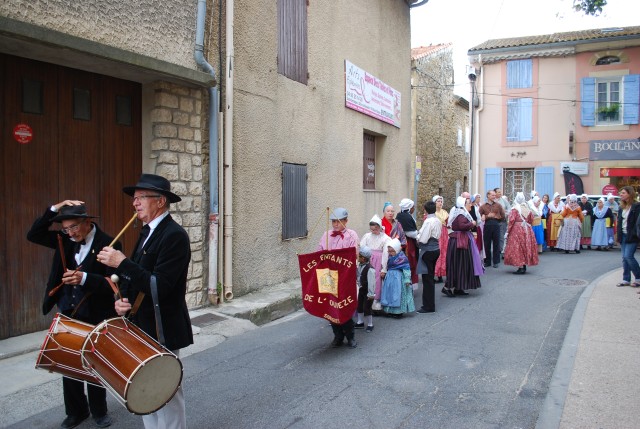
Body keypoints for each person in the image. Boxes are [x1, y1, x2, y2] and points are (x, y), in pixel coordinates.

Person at [97, 174, 193, 429]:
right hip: (140, 325)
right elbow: (135, 277)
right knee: (144, 392)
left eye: (140, 198)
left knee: (167, 393)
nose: (134, 203)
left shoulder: (175, 236)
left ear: (160, 201)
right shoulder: (146, 232)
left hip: (162, 328)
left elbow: (159, 285)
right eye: (135, 198)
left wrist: (121, 262)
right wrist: (122, 300)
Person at [27, 201, 119, 429]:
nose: (70, 233)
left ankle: (99, 410)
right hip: (69, 309)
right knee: (68, 362)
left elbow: (115, 284)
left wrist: (85, 278)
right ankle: (77, 411)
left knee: (94, 363)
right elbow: (33, 234)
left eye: (74, 227)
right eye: (66, 228)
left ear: (88, 222)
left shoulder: (108, 243)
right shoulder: (63, 239)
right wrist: (53, 208)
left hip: (97, 311)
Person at [315, 207, 359, 348]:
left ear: (346, 221)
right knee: (331, 307)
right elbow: (319, 252)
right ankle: (337, 336)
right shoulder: (326, 235)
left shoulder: (352, 235)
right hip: (329, 277)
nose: (335, 225)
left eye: (338, 222)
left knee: (344, 305)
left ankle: (350, 336)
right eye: (333, 222)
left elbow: (355, 255)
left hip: (345, 277)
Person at [444, 196, 484, 296]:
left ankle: (459, 287)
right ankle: (448, 287)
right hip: (459, 242)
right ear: (463, 205)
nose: (471, 204)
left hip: (461, 240)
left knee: (462, 264)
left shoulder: (462, 214)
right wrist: (472, 224)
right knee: (458, 264)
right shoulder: (461, 215)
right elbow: (461, 226)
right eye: (469, 203)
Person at [360, 215, 390, 312]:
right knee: (366, 279)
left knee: (376, 280)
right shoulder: (367, 236)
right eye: (372, 229)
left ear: (380, 227)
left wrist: (384, 268)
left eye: (376, 229)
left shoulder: (385, 238)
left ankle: (376, 301)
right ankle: (365, 299)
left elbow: (385, 253)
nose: (374, 231)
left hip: (378, 261)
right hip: (368, 260)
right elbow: (362, 247)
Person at [504, 192, 539, 274]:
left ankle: (521, 266)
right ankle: (524, 265)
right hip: (527, 229)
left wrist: (508, 231)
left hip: (516, 230)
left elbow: (511, 221)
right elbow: (531, 219)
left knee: (518, 248)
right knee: (525, 246)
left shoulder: (514, 209)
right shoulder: (527, 208)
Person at [416, 201, 441, 313]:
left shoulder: (428, 221)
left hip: (428, 250)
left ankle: (428, 306)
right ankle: (429, 304)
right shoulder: (437, 220)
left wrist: (418, 239)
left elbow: (423, 239)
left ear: (425, 210)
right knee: (429, 277)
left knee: (427, 279)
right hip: (435, 249)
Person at [380, 238, 414, 317]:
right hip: (390, 278)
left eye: (392, 251)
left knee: (397, 294)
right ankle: (390, 310)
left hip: (398, 279)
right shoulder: (390, 257)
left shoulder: (402, 258)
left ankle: (398, 312)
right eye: (389, 251)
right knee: (389, 294)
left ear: (397, 249)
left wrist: (407, 279)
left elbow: (406, 269)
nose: (390, 253)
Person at [615, 186, 640, 287]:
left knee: (628, 256)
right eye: (620, 193)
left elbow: (637, 223)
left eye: (623, 193)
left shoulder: (636, 206)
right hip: (623, 234)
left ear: (630, 194)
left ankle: (638, 278)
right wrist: (618, 235)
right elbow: (620, 222)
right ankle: (626, 279)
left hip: (632, 235)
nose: (621, 195)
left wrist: (634, 233)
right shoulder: (622, 207)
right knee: (624, 258)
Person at [396, 198, 419, 291]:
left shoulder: (402, 215)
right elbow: (410, 233)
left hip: (407, 242)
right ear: (409, 207)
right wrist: (419, 234)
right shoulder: (406, 217)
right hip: (408, 243)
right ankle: (409, 285)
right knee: (411, 262)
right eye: (413, 207)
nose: (414, 208)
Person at [479, 189, 505, 268]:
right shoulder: (483, 206)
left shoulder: (498, 205)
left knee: (496, 244)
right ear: (488, 196)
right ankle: (487, 261)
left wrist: (498, 218)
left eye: (494, 195)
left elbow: (503, 216)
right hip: (487, 225)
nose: (494, 196)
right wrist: (487, 216)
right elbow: (479, 217)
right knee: (487, 244)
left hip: (496, 225)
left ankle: (496, 261)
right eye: (493, 195)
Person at [355, 246, 376, 332]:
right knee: (359, 305)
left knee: (367, 307)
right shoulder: (360, 265)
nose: (357, 257)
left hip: (368, 291)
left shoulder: (370, 269)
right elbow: (359, 275)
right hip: (361, 289)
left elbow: (371, 282)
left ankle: (370, 324)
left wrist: (371, 294)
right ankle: (360, 321)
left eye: (359, 256)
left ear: (363, 258)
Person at [432, 195, 449, 283]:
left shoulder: (445, 212)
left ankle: (442, 273)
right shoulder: (432, 213)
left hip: (444, 234)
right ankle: (435, 272)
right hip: (437, 233)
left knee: (444, 253)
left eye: (441, 201)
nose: (440, 203)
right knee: (437, 253)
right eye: (438, 201)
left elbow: (448, 223)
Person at [495, 188, 511, 256]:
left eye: (500, 192)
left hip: (502, 221)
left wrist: (505, 213)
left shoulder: (504, 201)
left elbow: (509, 209)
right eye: (498, 192)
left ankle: (500, 250)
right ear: (495, 193)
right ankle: (495, 249)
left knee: (502, 236)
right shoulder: (493, 201)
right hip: (494, 221)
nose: (500, 193)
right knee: (495, 236)